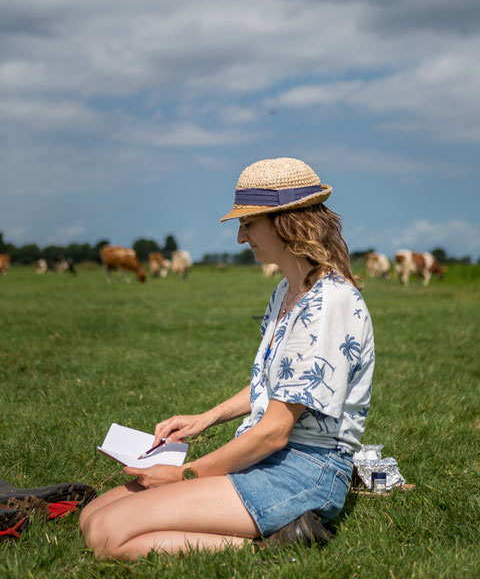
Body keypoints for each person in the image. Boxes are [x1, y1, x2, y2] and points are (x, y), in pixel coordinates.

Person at [80, 157, 375, 559]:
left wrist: (184, 475)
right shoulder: (288, 291)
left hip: (304, 471)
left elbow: (275, 431)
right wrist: (206, 418)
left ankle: (271, 547)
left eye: (248, 224)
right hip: (268, 458)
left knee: (105, 535)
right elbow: (275, 387)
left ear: (283, 220)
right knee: (93, 514)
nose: (240, 237)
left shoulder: (328, 303)